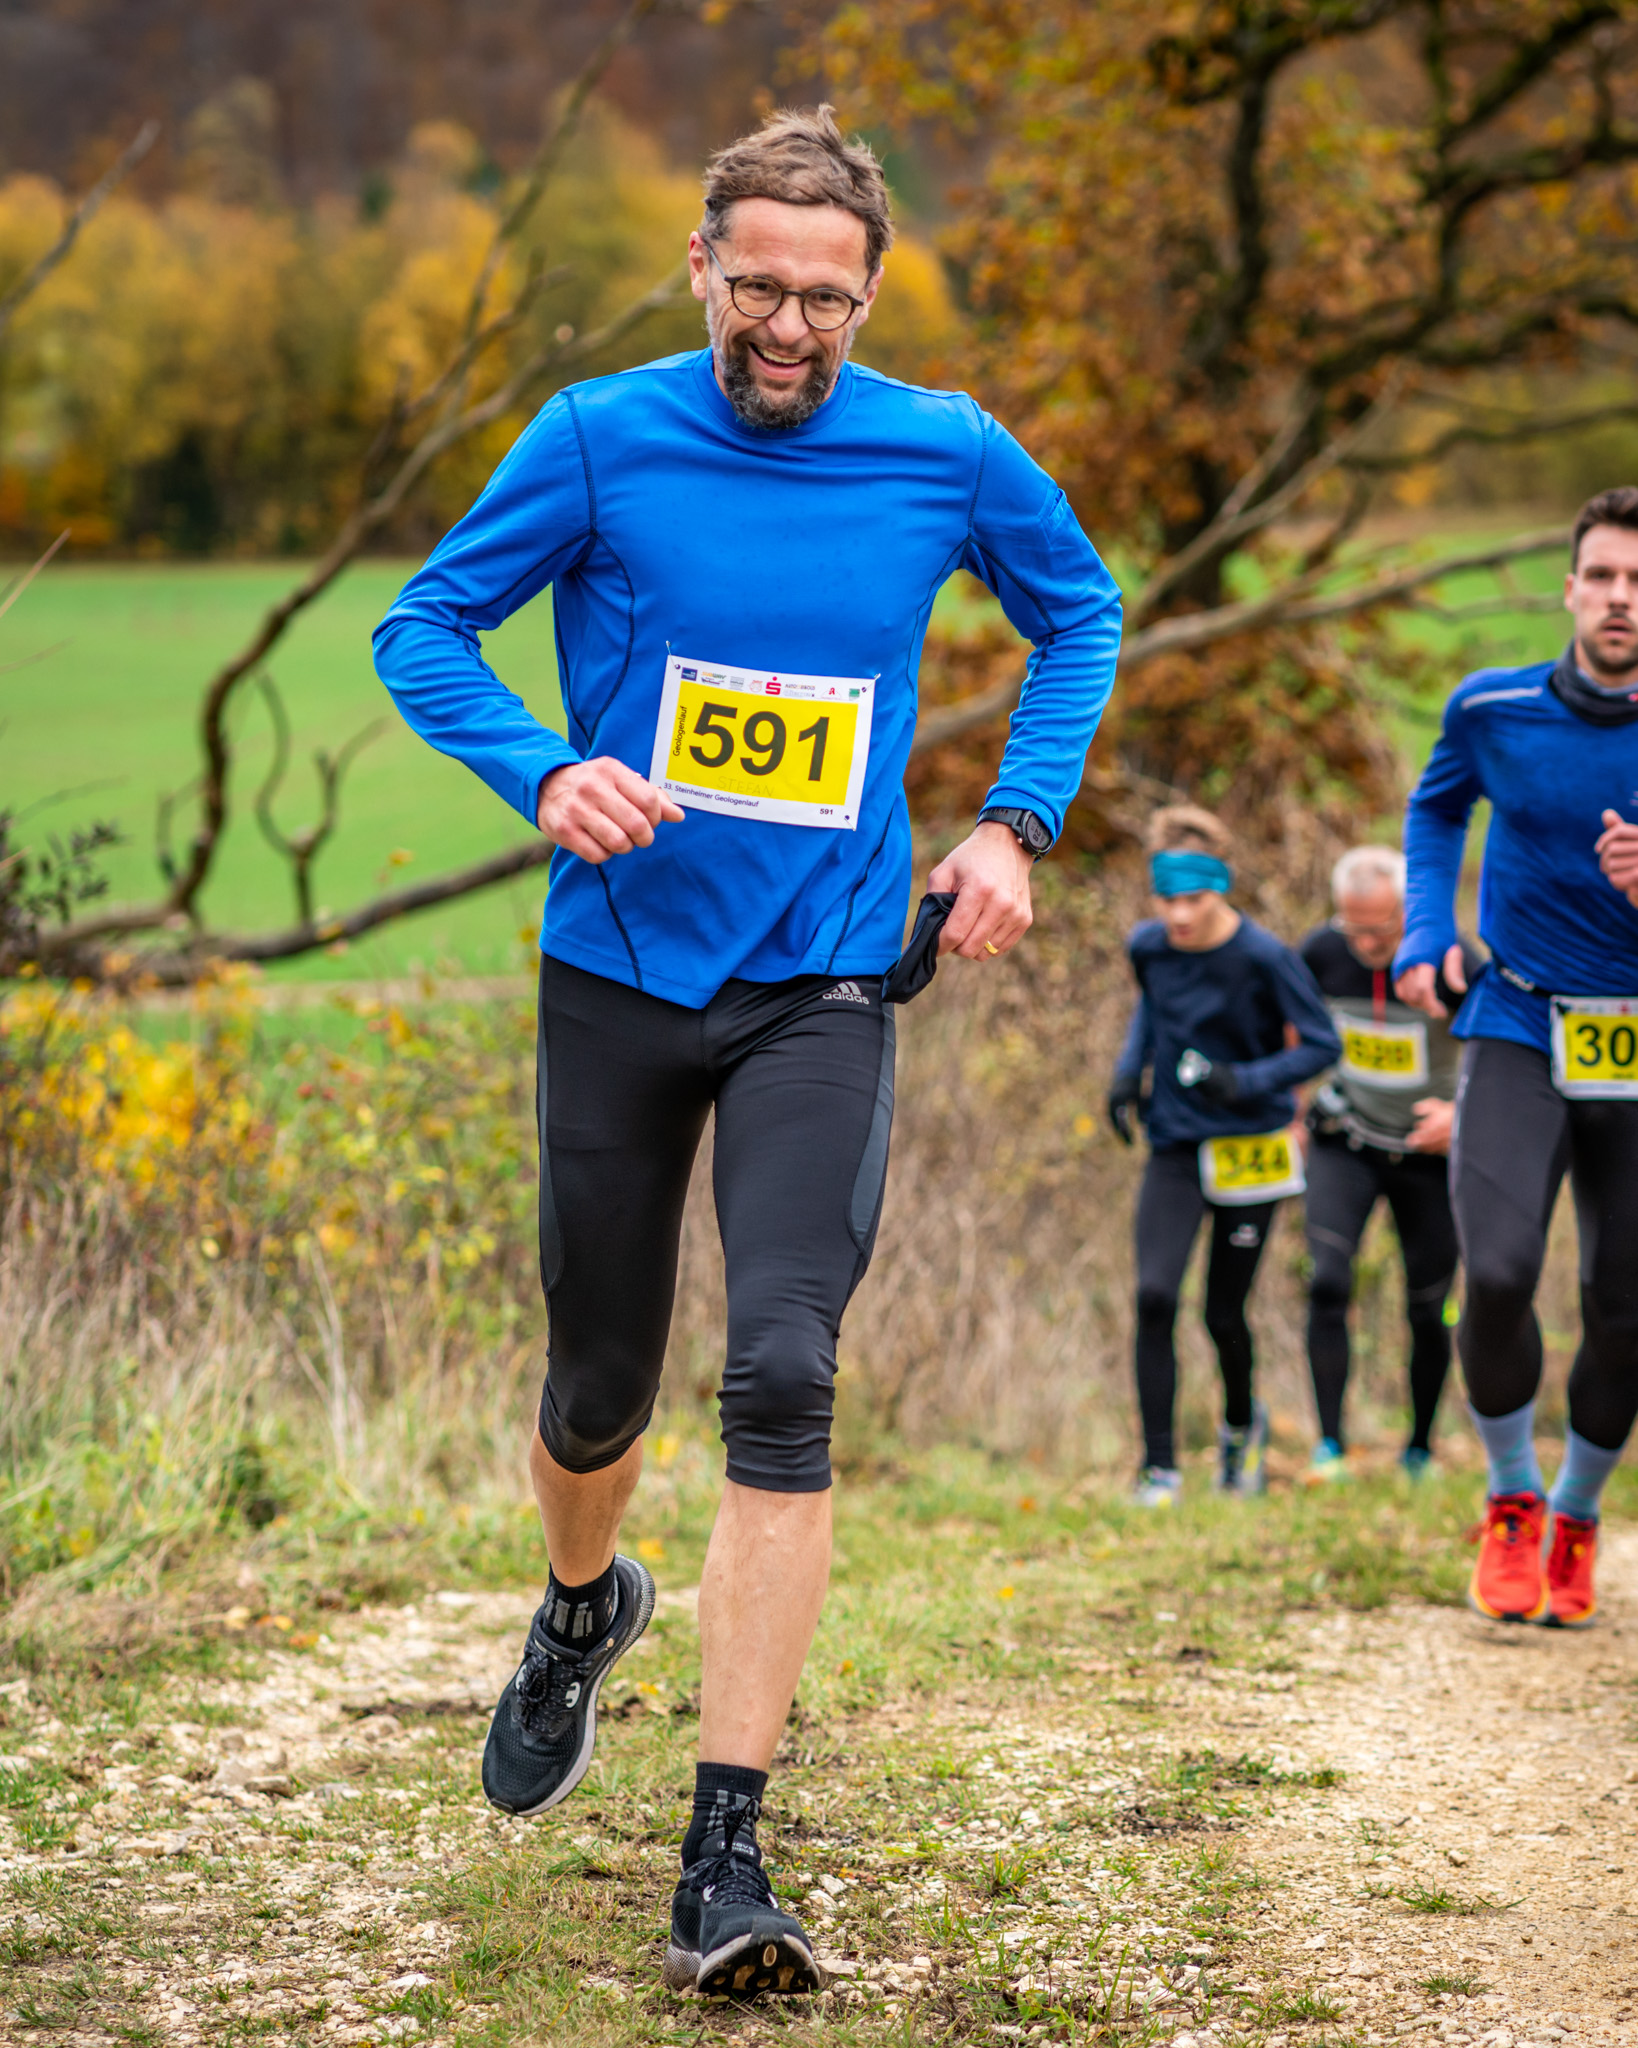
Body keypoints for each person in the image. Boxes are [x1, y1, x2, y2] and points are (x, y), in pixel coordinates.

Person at [373, 107, 1122, 1998]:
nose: (788, 327)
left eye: (826, 300)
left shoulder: (945, 449)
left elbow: (1079, 610)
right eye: (758, 287)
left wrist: (1011, 823)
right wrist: (543, 769)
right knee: (596, 1382)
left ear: (869, 296)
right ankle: (579, 1606)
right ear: (701, 266)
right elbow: (423, 624)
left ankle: (725, 1854)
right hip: (619, 973)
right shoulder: (596, 437)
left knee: (783, 1373)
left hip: (826, 981)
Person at [1396, 485, 1638, 1629]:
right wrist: (1425, 930)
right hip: (1519, 1017)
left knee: (1624, 1305)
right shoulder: (1491, 707)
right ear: (1571, 587)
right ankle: (1511, 1496)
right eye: (1605, 576)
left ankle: (1578, 1511)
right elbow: (1435, 807)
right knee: (1492, 1271)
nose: (1622, 598)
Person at [1108, 807, 1339, 1506]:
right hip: (1176, 1142)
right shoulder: (1149, 947)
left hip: (1250, 1149)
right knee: (1154, 1298)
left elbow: (1321, 1045)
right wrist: (1128, 1072)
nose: (1178, 915)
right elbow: (1153, 1009)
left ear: (1220, 888)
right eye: (1166, 899)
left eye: (1194, 899)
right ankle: (1159, 1469)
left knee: (1223, 1312)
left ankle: (1242, 1428)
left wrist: (1247, 1081)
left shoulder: (1264, 957)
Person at [1299, 846, 1480, 1481]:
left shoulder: (1452, 959)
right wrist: (1292, 1107)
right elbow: (1290, 1029)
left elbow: (1503, 1049)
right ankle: (1329, 1446)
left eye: (1382, 928)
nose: (1368, 944)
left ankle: (1420, 1448)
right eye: (1355, 928)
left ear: (1409, 912)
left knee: (1428, 1306)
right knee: (1327, 1281)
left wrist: (1460, 1116)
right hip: (1346, 1141)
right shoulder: (1321, 952)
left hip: (1428, 1153)